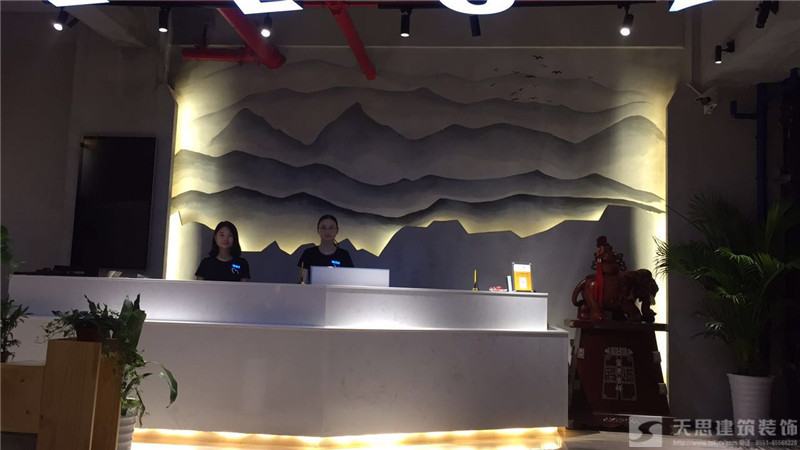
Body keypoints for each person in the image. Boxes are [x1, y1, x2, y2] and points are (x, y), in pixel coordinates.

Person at [298, 214, 354, 283]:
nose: (327, 231)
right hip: (313, 290)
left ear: (337, 231)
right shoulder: (308, 253)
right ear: (318, 230)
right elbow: (303, 282)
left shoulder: (344, 255)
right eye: (323, 228)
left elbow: (349, 280)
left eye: (331, 228)